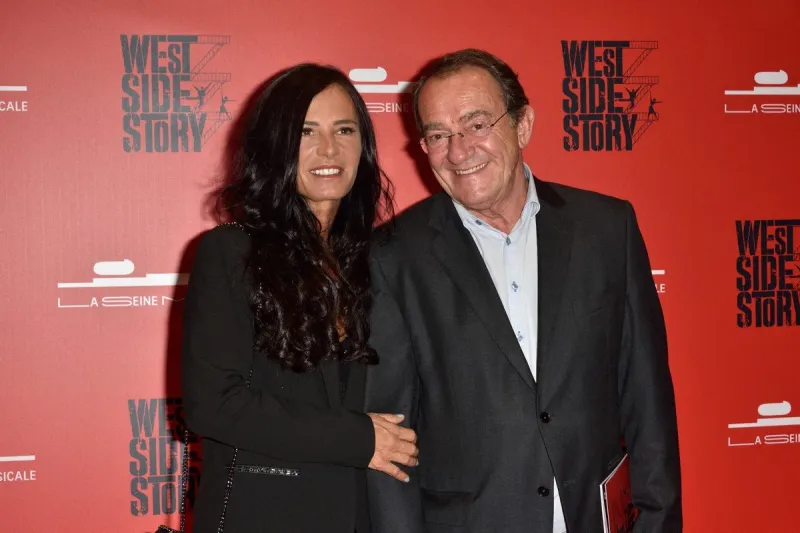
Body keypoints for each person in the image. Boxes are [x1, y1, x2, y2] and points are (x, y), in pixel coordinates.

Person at [365, 49, 681, 532]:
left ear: (523, 124)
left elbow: (646, 397)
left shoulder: (606, 230)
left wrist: (657, 523)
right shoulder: (393, 257)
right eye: (438, 134)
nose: (459, 150)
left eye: (476, 124)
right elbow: (390, 442)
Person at [182, 63, 418, 533]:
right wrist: (358, 437)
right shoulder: (232, 251)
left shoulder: (375, 262)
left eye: (344, 130)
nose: (328, 149)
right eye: (305, 131)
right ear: (275, 146)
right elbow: (213, 404)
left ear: (363, 147)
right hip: (261, 515)